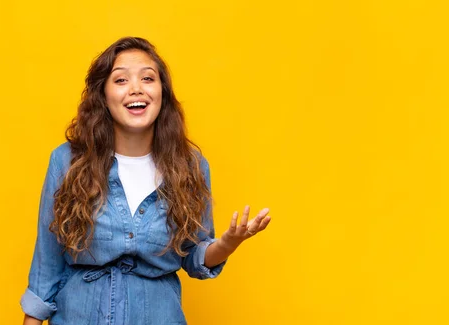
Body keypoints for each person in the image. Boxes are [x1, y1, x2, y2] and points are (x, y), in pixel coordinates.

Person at [21, 36, 272, 325]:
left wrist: (228, 243)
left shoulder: (191, 166)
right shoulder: (67, 162)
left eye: (148, 78)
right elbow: (47, 257)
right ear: (102, 95)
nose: (136, 89)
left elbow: (193, 257)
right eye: (121, 80)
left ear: (162, 92)